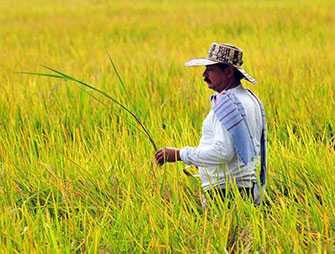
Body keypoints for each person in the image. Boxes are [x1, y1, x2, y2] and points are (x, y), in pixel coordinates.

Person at [154, 42, 266, 207]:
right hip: (245, 190)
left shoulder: (228, 102)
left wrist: (179, 154)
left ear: (228, 72)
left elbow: (223, 152)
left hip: (226, 194)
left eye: (210, 70)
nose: (204, 75)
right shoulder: (249, 98)